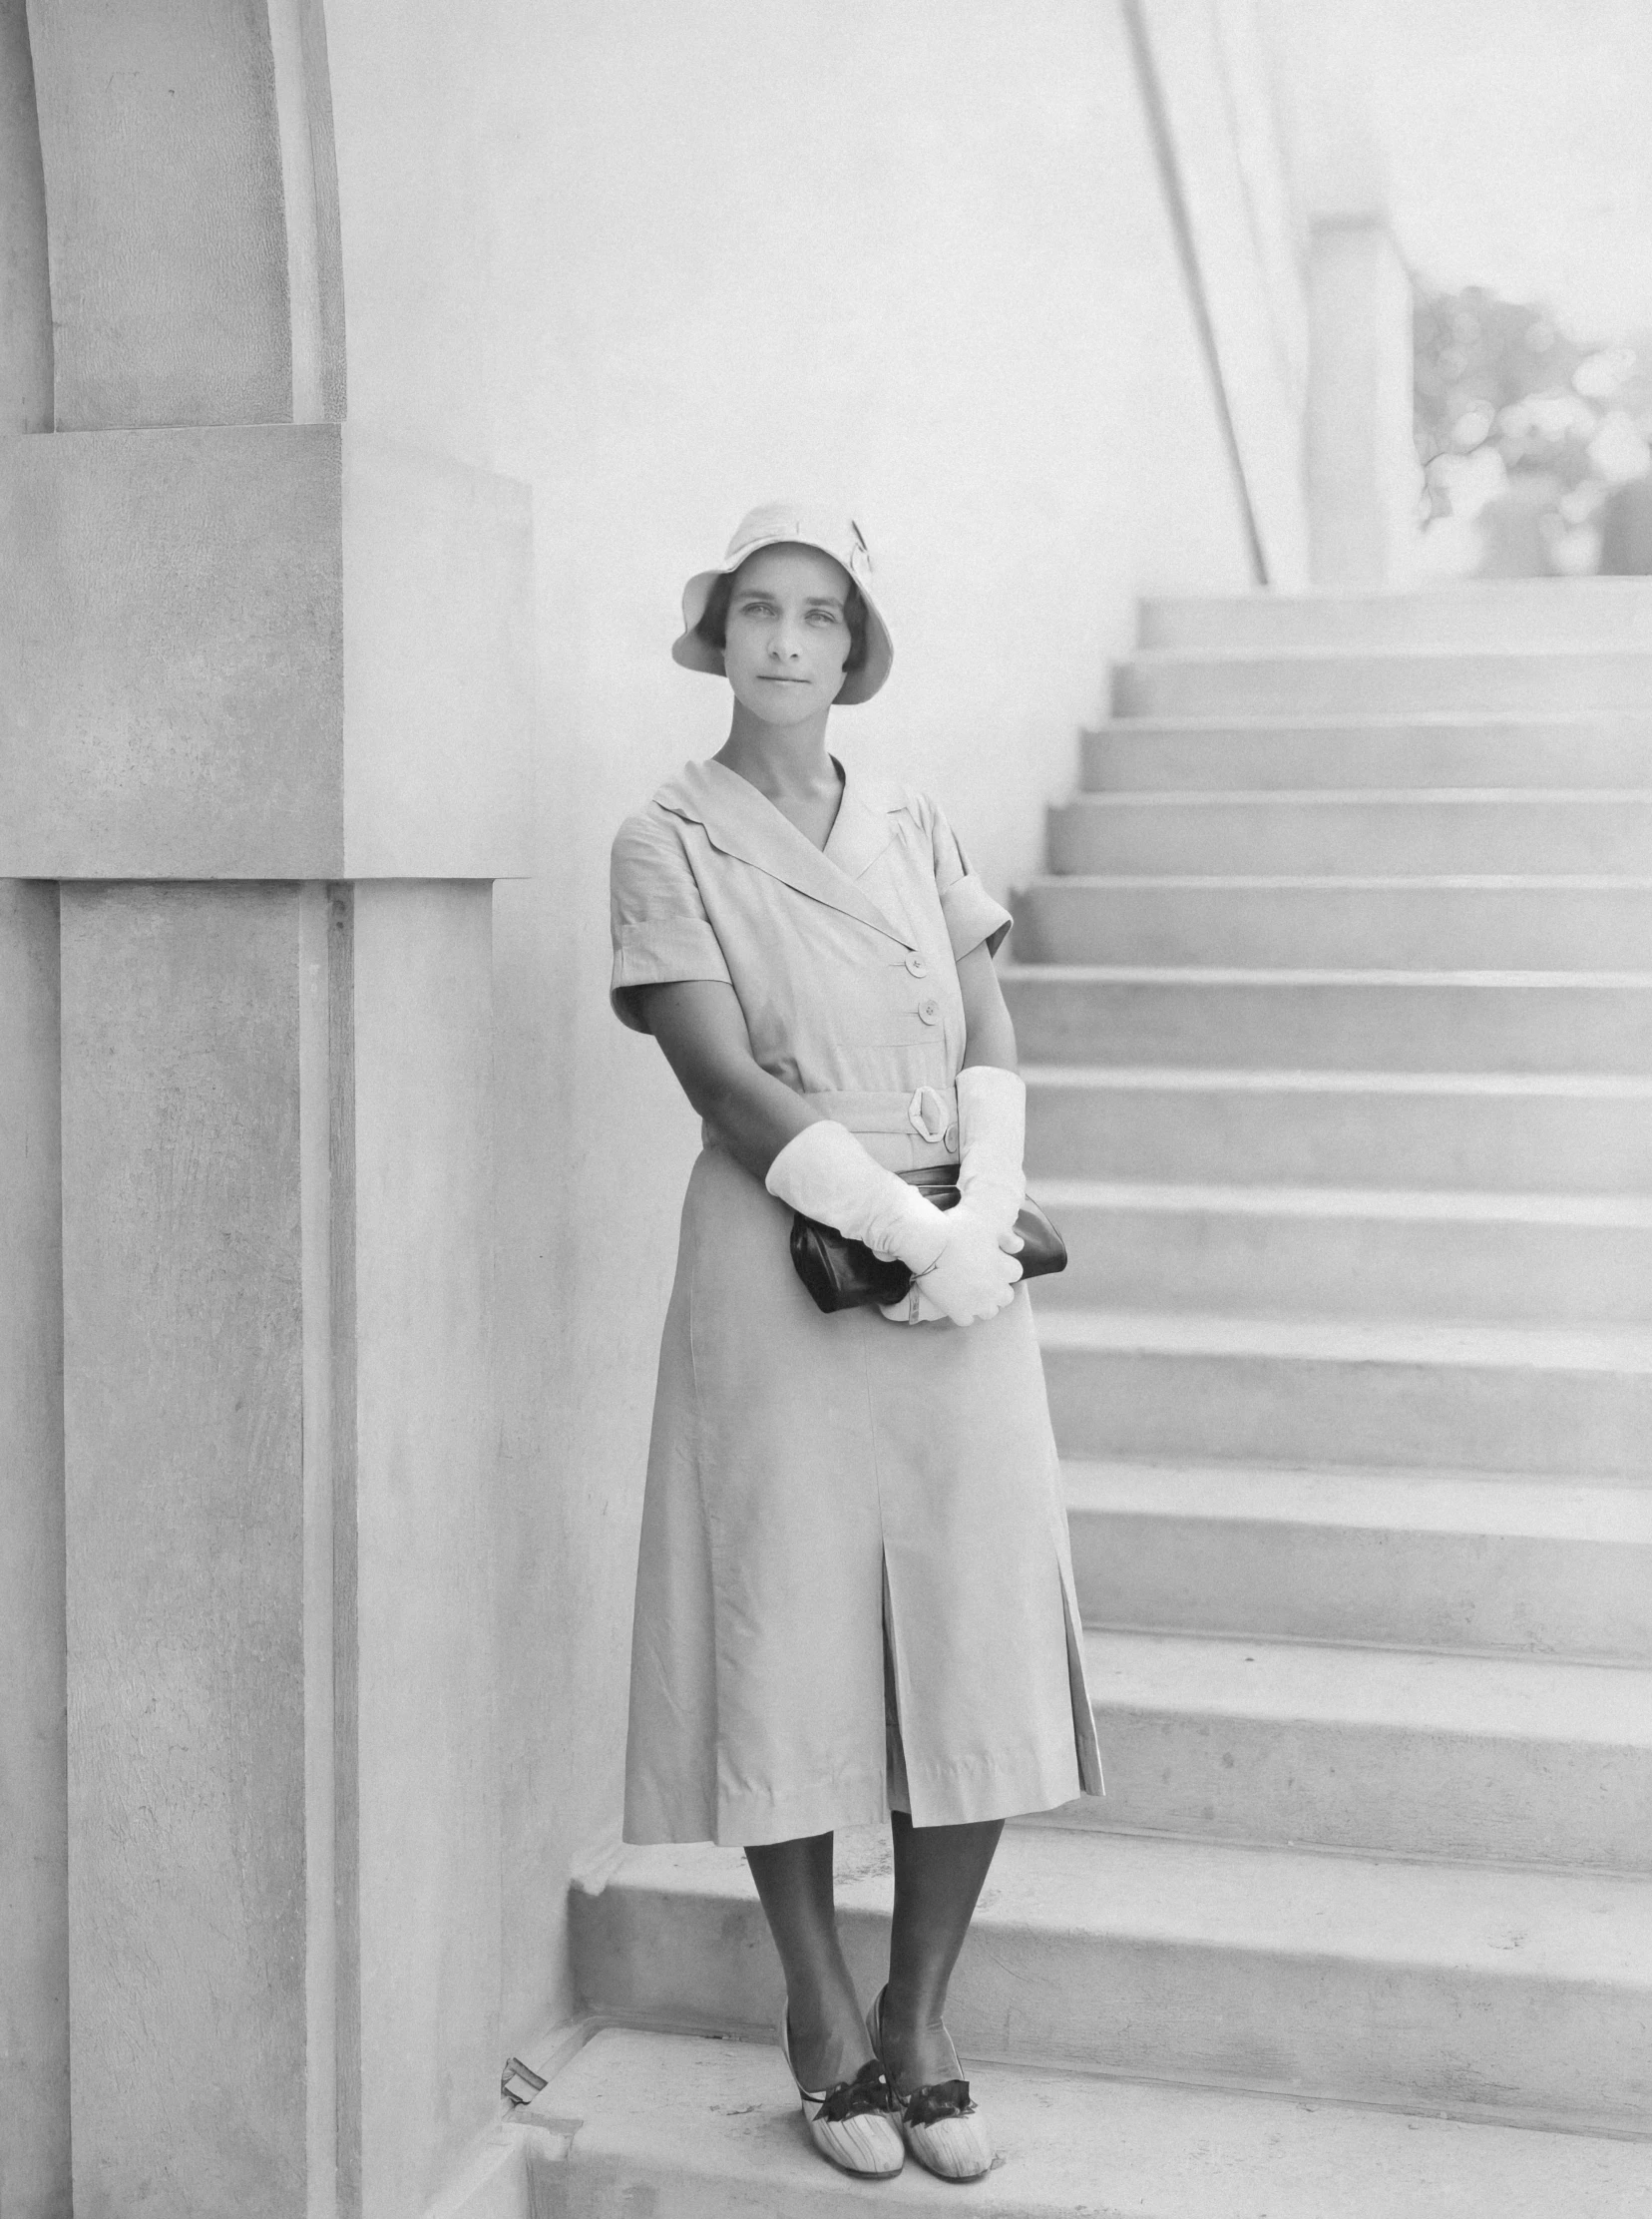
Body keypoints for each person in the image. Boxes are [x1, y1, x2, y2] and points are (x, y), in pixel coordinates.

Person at [609, 502, 1102, 2180]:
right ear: (720, 633)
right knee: (788, 1621)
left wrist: (983, 1225)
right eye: (759, 609)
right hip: (784, 1254)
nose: (788, 641)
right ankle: (821, 2015)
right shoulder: (665, 835)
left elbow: (986, 1020)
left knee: (973, 1618)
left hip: (962, 1258)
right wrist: (898, 1229)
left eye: (820, 615)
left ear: (855, 644)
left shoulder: (914, 813)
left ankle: (922, 2017)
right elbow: (724, 1080)